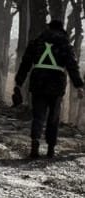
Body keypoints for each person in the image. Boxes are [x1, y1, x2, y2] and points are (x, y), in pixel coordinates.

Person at [13, 19, 85, 158]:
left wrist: (18, 83)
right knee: (54, 116)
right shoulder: (64, 43)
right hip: (56, 83)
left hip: (38, 82)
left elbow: (25, 63)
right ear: (61, 29)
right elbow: (72, 65)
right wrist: (79, 85)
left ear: (48, 28)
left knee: (38, 115)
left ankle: (35, 142)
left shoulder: (36, 42)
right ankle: (51, 148)